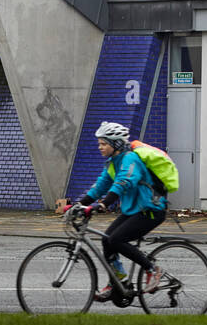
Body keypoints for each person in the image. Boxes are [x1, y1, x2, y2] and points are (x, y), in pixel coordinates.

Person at [66, 121, 165, 301]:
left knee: (116, 239)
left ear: (116, 144)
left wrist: (104, 204)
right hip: (134, 210)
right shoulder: (112, 163)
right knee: (107, 240)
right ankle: (120, 282)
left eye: (103, 143)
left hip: (151, 210)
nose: (100, 147)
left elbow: (124, 181)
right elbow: (99, 187)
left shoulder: (130, 159)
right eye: (99, 143)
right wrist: (78, 205)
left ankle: (153, 269)